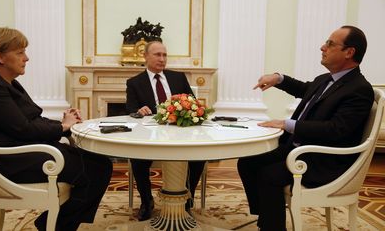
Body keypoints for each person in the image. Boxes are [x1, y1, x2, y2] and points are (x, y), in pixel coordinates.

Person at [0, 27, 113, 231]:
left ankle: (56, 223)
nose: (26, 58)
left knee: (97, 162)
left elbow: (32, 120)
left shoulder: (7, 83)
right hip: (12, 160)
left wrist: (63, 125)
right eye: (20, 52)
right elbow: (24, 129)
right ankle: (54, 225)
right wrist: (63, 127)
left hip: (26, 151)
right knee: (97, 168)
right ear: (1, 57)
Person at [237, 25, 374, 231]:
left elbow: (336, 129)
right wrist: (278, 78)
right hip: (300, 148)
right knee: (248, 161)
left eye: (329, 44)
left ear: (349, 52)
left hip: (323, 159)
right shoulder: (326, 79)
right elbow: (303, 89)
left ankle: (271, 226)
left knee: (269, 175)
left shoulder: (359, 89)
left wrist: (287, 124)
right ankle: (267, 218)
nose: (322, 47)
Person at [126, 41, 205, 220]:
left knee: (199, 156)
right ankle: (147, 201)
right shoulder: (134, 83)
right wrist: (138, 111)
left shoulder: (178, 78)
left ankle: (187, 199)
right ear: (145, 56)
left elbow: (193, 104)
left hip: (180, 134)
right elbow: (130, 109)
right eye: (157, 55)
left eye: (164, 55)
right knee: (137, 158)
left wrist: (188, 110)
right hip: (149, 136)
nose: (162, 59)